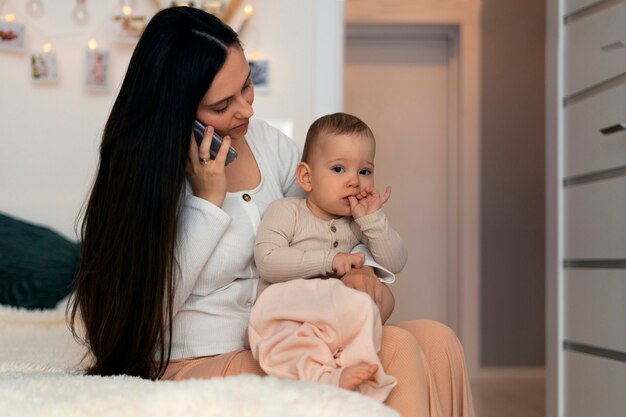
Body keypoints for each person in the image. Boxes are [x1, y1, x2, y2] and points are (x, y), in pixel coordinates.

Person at [68, 6, 474, 417]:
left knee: (439, 342)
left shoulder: (269, 145)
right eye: (222, 104)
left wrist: (360, 269)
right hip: (193, 359)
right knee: (398, 348)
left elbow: (328, 221)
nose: (246, 110)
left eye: (247, 86)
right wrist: (208, 201)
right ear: (177, 114)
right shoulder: (148, 180)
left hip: (288, 339)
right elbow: (148, 309)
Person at [249, 113, 407, 400]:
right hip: (288, 314)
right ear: (307, 177)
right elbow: (268, 260)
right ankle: (326, 376)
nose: (354, 182)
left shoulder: (358, 223)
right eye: (338, 169)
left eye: (364, 171)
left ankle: (346, 362)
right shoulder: (287, 211)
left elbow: (396, 261)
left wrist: (373, 219)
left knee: (384, 295)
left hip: (331, 320)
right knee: (299, 340)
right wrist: (329, 260)